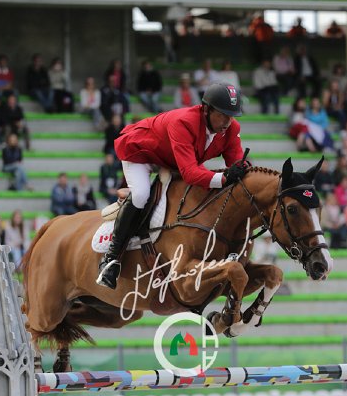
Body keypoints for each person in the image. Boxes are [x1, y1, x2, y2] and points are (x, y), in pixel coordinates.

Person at [96, 83, 248, 290]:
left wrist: (243, 170)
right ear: (206, 109)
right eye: (222, 115)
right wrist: (223, 178)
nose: (228, 122)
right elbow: (190, 173)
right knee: (141, 194)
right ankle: (111, 259)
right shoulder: (184, 122)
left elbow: (238, 164)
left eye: (232, 116)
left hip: (172, 159)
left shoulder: (231, 129)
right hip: (141, 153)